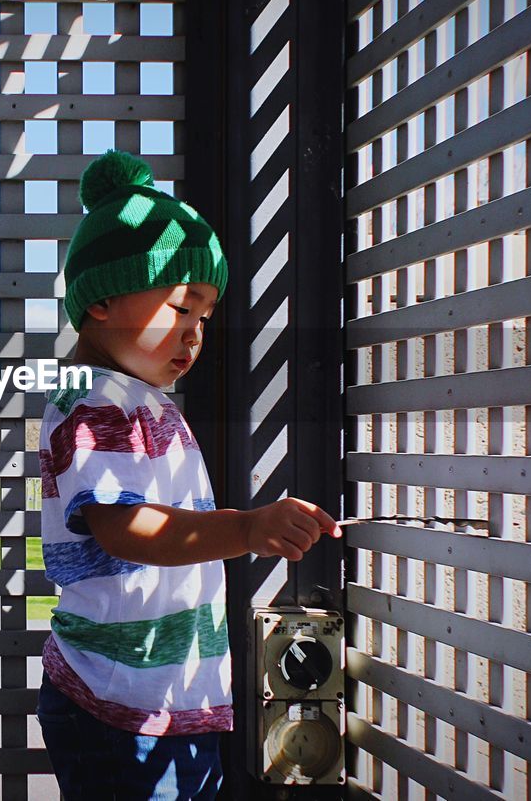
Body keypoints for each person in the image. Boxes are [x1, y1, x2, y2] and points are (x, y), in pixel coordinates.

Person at [36, 150, 341, 799]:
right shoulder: (96, 404)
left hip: (158, 697)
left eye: (204, 316)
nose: (196, 333)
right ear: (105, 298)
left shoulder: (137, 400)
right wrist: (248, 527)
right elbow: (127, 530)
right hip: (119, 705)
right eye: (180, 306)